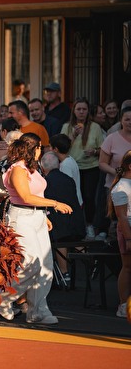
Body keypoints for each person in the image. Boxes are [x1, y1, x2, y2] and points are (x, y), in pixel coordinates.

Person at [0, 133, 72, 324]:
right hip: (21, 217)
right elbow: (25, 197)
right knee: (31, 262)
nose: (42, 151)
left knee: (45, 265)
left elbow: (38, 194)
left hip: (37, 217)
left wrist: (44, 215)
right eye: (40, 147)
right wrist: (54, 204)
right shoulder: (18, 169)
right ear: (34, 148)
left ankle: (38, 311)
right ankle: (4, 295)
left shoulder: (33, 169)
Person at [60, 98, 104, 238]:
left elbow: (102, 148)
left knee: (89, 197)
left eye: (84, 109)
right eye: (78, 109)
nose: (81, 112)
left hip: (91, 166)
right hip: (72, 166)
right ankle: (75, 225)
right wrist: (73, 135)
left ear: (88, 111)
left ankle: (89, 225)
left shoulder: (95, 127)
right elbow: (62, 147)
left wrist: (94, 151)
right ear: (74, 111)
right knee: (73, 196)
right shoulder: (67, 126)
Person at [41, 151, 85, 283]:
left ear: (43, 168)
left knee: (60, 237)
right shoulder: (68, 180)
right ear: (59, 165)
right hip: (76, 223)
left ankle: (64, 272)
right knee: (75, 239)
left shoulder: (45, 182)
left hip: (59, 227)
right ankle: (89, 264)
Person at [99, 107, 131, 241]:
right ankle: (116, 247)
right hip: (116, 185)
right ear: (121, 121)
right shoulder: (112, 138)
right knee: (117, 220)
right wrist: (117, 172)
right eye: (127, 119)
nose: (130, 122)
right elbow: (102, 163)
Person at [107, 150, 131, 318]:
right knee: (128, 267)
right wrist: (128, 238)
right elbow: (121, 216)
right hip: (127, 228)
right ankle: (123, 305)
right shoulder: (120, 187)